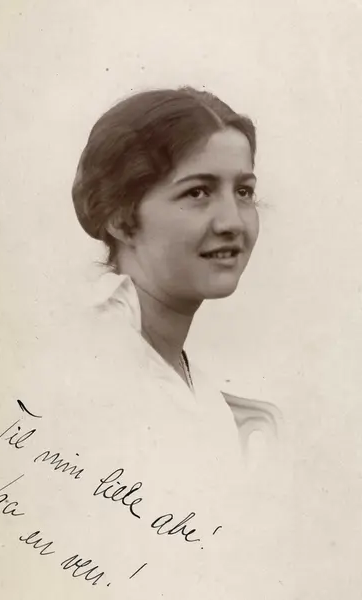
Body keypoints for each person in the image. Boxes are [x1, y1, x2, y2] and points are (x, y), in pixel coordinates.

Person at [72, 86, 281, 463]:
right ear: (120, 217)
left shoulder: (195, 389)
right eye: (198, 192)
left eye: (243, 192)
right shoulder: (87, 369)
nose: (233, 222)